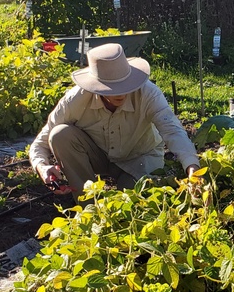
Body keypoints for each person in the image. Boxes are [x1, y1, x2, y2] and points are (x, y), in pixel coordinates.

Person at [29, 43, 200, 204]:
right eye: (112, 89)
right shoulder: (76, 99)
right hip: (100, 156)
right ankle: (87, 206)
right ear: (97, 87)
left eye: (125, 86)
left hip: (140, 157)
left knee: (130, 200)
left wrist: (192, 167)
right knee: (60, 135)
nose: (122, 93)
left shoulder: (149, 93)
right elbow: (41, 141)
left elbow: (173, 131)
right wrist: (43, 168)